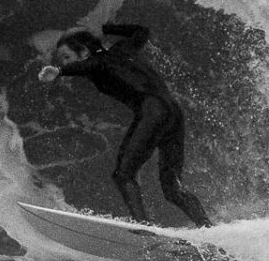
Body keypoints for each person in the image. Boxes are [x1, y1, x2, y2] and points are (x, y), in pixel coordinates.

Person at [38, 22, 212, 226]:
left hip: (153, 112)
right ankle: (206, 227)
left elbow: (91, 65)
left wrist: (60, 71)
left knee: (123, 175)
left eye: (67, 57)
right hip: (173, 113)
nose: (65, 62)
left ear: (84, 52)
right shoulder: (123, 48)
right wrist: (108, 28)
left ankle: (143, 228)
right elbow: (142, 31)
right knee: (173, 189)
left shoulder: (98, 62)